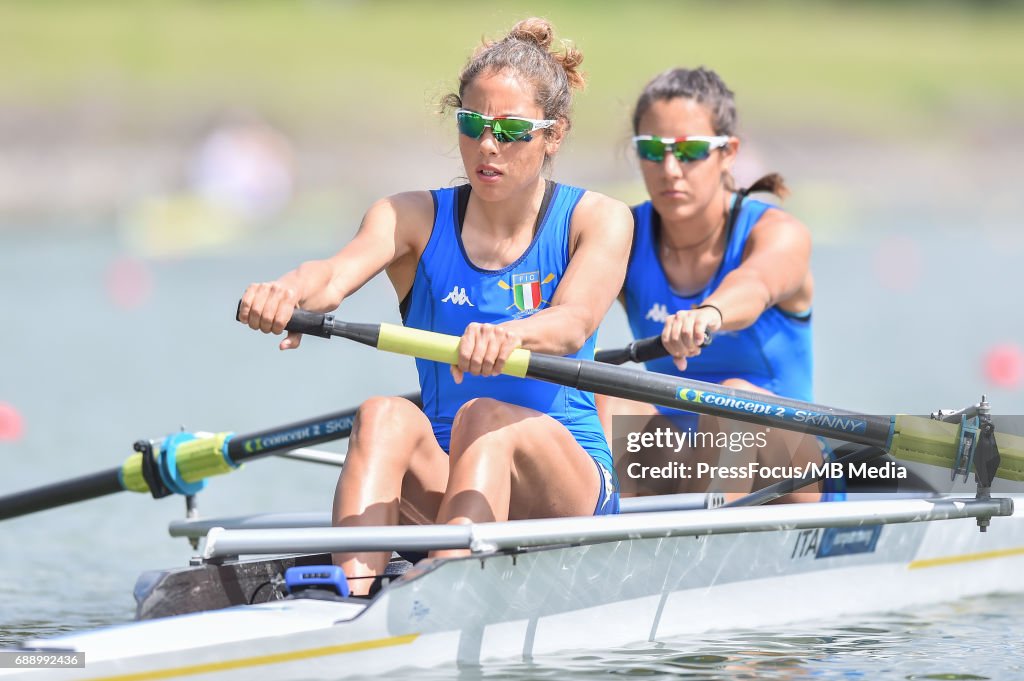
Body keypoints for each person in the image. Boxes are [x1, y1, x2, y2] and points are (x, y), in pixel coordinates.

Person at [238, 18, 632, 595]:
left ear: (555, 134)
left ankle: (441, 597)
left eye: (512, 130)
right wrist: (285, 291)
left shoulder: (597, 218)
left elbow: (574, 322)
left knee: (486, 416)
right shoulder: (411, 217)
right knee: (383, 414)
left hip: (566, 488)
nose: (487, 146)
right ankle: (354, 596)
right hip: (452, 481)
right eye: (472, 125)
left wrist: (513, 336)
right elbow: (331, 276)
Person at [598, 67, 844, 502]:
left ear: (728, 152)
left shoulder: (776, 233)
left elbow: (756, 284)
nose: (670, 169)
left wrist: (709, 314)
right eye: (652, 150)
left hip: (791, 469)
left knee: (731, 403)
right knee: (604, 403)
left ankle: (694, 543)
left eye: (690, 150)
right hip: (682, 458)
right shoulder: (623, 234)